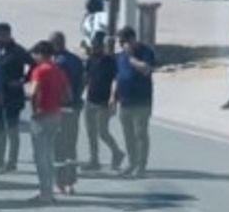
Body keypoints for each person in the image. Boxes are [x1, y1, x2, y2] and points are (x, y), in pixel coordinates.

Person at [112, 26, 156, 179]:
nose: (121, 44)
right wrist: (113, 97)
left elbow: (146, 69)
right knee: (128, 134)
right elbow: (118, 77)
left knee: (140, 133)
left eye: (123, 41)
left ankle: (141, 166)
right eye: (119, 42)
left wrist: (131, 58)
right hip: (125, 100)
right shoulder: (120, 56)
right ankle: (132, 162)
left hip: (141, 100)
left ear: (132, 39)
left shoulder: (145, 52)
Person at [27, 40, 68, 203]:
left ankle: (45, 192)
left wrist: (35, 109)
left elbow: (33, 93)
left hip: (42, 116)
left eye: (35, 55)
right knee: (49, 154)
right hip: (55, 114)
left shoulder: (39, 71)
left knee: (40, 156)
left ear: (40, 54)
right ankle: (49, 190)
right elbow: (67, 95)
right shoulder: (59, 70)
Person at [0, 23, 33, 173]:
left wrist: (23, 80)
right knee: (0, 130)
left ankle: (11, 162)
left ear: (7, 35)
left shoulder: (18, 51)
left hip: (13, 97)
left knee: (12, 131)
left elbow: (34, 65)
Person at [82, 33, 125, 172]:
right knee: (91, 132)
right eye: (94, 45)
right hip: (90, 100)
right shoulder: (90, 60)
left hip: (104, 102)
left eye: (98, 45)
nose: (95, 47)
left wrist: (114, 99)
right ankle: (94, 160)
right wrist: (79, 94)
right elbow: (86, 78)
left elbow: (116, 80)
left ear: (103, 46)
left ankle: (117, 152)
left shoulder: (110, 61)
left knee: (102, 131)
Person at [50, 31, 83, 194]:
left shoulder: (57, 63)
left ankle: (59, 182)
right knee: (71, 146)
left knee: (58, 147)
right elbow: (83, 82)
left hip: (60, 109)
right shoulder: (76, 60)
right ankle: (71, 182)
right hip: (74, 108)